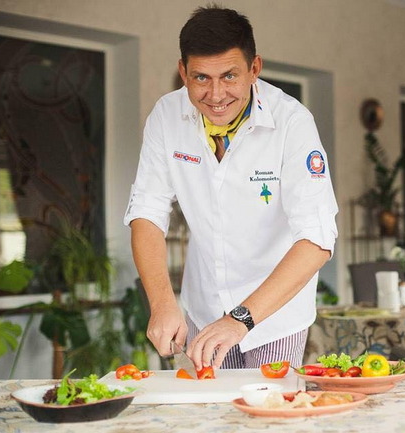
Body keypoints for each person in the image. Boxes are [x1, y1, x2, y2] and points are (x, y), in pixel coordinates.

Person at [124, 5, 338, 371]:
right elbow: (147, 211)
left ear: (255, 68)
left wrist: (240, 319)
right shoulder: (166, 116)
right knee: (206, 405)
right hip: (203, 307)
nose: (216, 94)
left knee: (264, 405)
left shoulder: (292, 122)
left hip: (275, 316)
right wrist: (161, 303)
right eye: (201, 78)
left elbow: (317, 238)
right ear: (183, 72)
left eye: (229, 76)